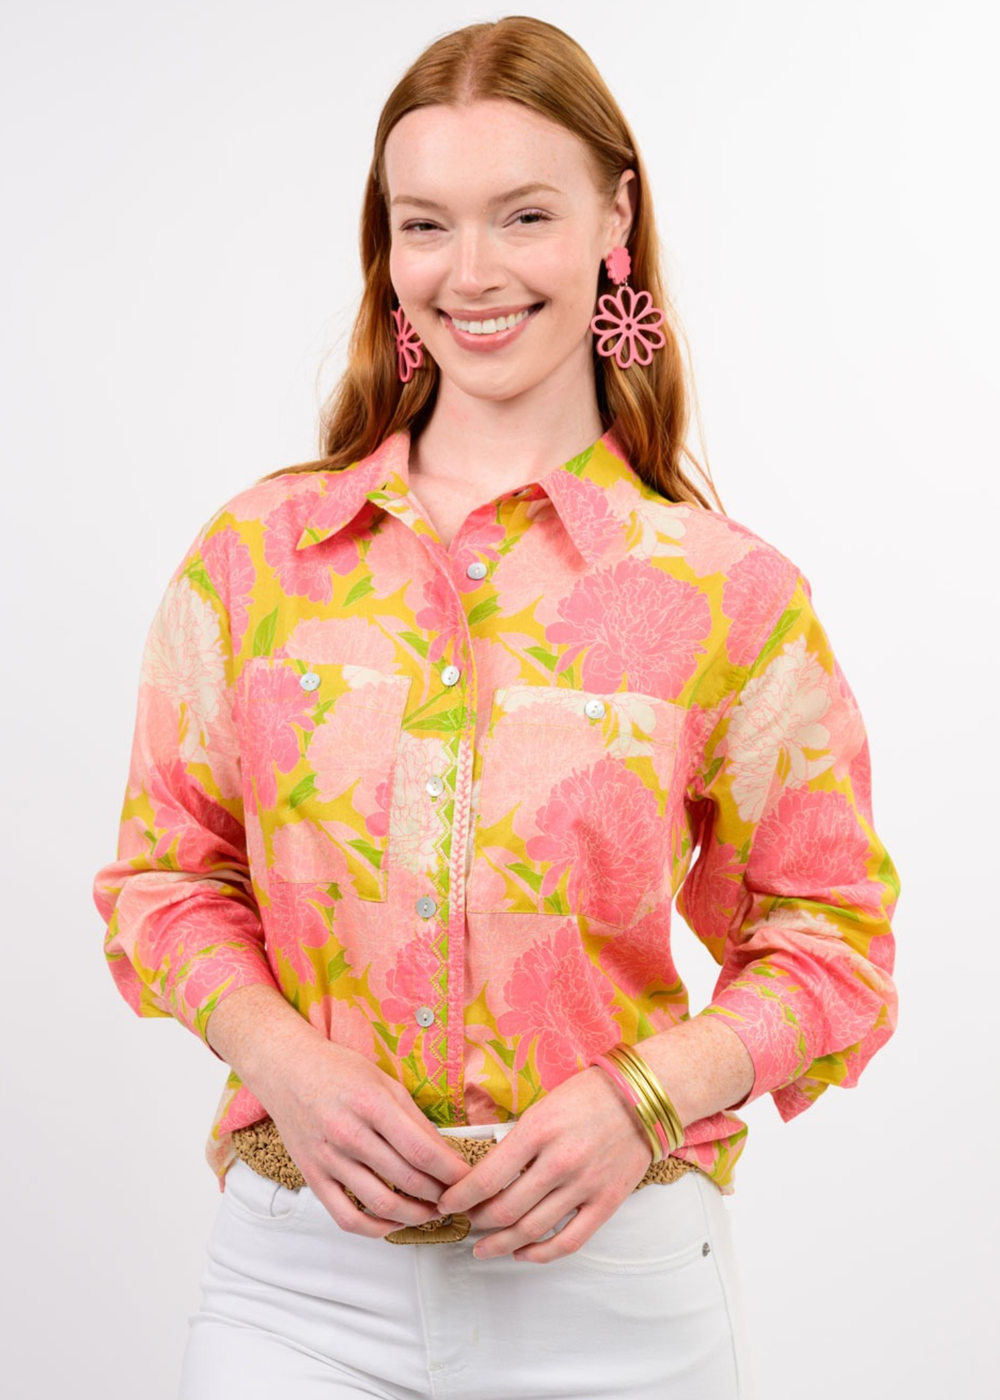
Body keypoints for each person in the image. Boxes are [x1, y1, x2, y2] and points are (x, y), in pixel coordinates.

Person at [93, 16, 899, 1399]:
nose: (470, 273)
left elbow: (834, 944)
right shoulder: (255, 562)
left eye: (523, 215)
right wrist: (283, 1058)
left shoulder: (730, 596)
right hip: (299, 1289)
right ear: (387, 248)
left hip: (616, 1295)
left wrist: (640, 1100)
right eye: (425, 225)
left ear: (614, 221)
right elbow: (164, 881)